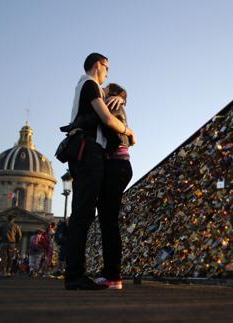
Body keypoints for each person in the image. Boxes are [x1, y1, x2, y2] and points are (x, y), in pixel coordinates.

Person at [64, 53, 135, 290]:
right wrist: (129, 131)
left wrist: (121, 96)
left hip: (92, 156)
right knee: (85, 214)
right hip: (89, 153)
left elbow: (114, 96)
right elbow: (106, 118)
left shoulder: (86, 87)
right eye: (107, 68)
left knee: (86, 214)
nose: (107, 74)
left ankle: (84, 274)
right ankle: (77, 275)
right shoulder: (90, 84)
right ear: (99, 65)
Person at [93, 83, 134, 290]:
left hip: (116, 166)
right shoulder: (118, 104)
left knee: (109, 223)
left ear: (112, 93)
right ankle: (112, 274)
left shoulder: (111, 104)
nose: (102, 90)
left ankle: (113, 276)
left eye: (106, 89)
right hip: (122, 166)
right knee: (109, 222)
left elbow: (110, 127)